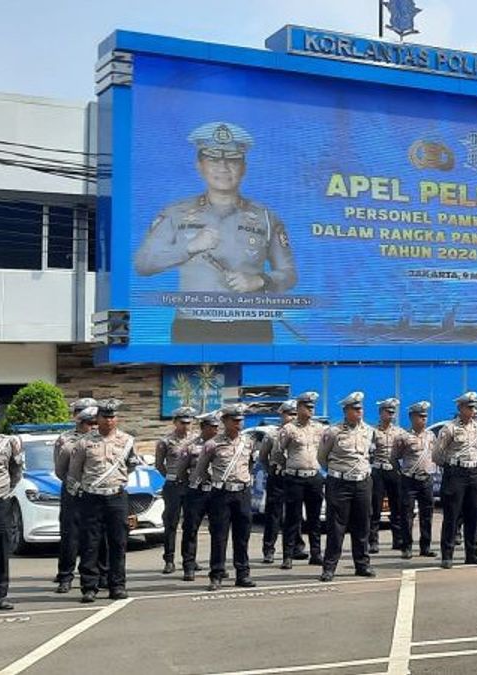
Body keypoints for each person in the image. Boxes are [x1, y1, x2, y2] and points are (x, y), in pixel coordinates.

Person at [132, 121, 297, 344]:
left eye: (232, 160)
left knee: (258, 381)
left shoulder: (267, 218)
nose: (223, 167)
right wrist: (189, 248)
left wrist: (260, 281)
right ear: (199, 165)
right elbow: (143, 264)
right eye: (213, 159)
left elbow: (289, 273)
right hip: (193, 327)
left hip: (251, 326)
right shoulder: (175, 214)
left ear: (244, 167)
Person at [69, 399, 139, 603]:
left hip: (116, 496)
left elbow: (131, 466)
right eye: (105, 417)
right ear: (97, 419)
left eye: (112, 417)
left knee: (118, 542)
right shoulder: (84, 442)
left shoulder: (127, 441)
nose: (109, 421)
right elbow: (75, 471)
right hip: (92, 496)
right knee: (90, 543)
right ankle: (89, 587)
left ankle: (117, 585)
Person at [195, 403, 256, 591]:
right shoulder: (212, 444)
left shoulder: (248, 442)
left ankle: (243, 573)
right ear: (224, 421)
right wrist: (216, 481)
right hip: (221, 493)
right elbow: (201, 469)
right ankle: (217, 574)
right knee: (219, 536)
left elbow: (251, 464)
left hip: (242, 492)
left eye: (241, 420)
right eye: (235, 420)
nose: (239, 424)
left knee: (242, 535)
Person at [317, 392, 375, 582]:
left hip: (362, 482)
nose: (359, 412)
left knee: (362, 525)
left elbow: (369, 456)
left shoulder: (368, 430)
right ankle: (329, 567)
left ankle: (362, 564)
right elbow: (322, 458)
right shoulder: (333, 432)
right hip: (340, 483)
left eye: (361, 409)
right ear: (346, 411)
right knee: (336, 526)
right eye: (355, 409)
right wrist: (339, 472)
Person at [432, 392, 477, 569]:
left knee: (474, 515)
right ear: (460, 408)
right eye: (469, 407)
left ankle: (472, 553)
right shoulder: (449, 429)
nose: (473, 410)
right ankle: (447, 555)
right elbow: (437, 455)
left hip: (474, 472)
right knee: (452, 516)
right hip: (455, 473)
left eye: (474, 407)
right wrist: (451, 467)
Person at [52, 398, 97, 594]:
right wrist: (73, 483)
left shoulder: (101, 438)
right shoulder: (65, 439)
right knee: (70, 536)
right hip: (72, 491)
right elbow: (60, 469)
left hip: (94, 492)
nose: (90, 424)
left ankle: (97, 576)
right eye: (81, 414)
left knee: (95, 536)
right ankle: (65, 576)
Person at [278, 391, 325, 569]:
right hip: (294, 478)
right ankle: (288, 556)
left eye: (312, 407)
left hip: (314, 477)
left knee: (314, 518)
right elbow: (278, 452)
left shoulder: (319, 428)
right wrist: (289, 466)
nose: (310, 410)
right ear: (298, 408)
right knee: (292, 518)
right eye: (307, 407)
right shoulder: (289, 429)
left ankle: (316, 552)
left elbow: (325, 450)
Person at [256, 400, 304, 564]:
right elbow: (262, 458)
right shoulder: (272, 434)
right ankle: (269, 550)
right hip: (278, 477)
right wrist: (271, 470)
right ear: (282, 415)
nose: (292, 417)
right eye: (289, 414)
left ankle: (297, 547)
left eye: (295, 414)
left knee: (295, 513)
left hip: (295, 477)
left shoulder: (300, 433)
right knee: (273, 515)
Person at [154, 406, 196, 574]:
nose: (186, 426)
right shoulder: (166, 441)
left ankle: (189, 558)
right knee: (171, 523)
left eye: (188, 422)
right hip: (173, 485)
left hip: (191, 485)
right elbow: (159, 464)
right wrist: (171, 476)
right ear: (175, 422)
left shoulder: (196, 440)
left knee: (191, 523)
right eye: (182, 422)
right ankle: (169, 559)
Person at [392, 401, 436, 559]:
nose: (423, 419)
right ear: (412, 417)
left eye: (425, 416)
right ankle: (406, 546)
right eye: (420, 416)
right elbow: (394, 457)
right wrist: (402, 474)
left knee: (427, 514)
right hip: (409, 480)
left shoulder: (431, 435)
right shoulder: (403, 437)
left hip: (426, 479)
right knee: (406, 515)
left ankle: (425, 546)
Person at [179, 411, 218, 581]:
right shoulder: (190, 446)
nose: (216, 430)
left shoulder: (222, 444)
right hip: (196, 491)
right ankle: (188, 565)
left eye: (217, 427)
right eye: (212, 427)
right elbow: (181, 470)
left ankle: (217, 566)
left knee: (218, 531)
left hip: (217, 492)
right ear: (203, 428)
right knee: (190, 529)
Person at [0, 410, 24, 611]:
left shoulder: (7, 443)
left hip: (0, 502)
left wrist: (5, 490)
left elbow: (16, 471)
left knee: (0, 549)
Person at [369, 398, 404, 554]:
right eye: (388, 412)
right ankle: (373, 541)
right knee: (375, 507)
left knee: (396, 506)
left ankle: (397, 539)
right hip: (378, 471)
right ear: (381, 413)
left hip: (394, 471)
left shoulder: (399, 432)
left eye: (393, 412)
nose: (391, 415)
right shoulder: (373, 432)